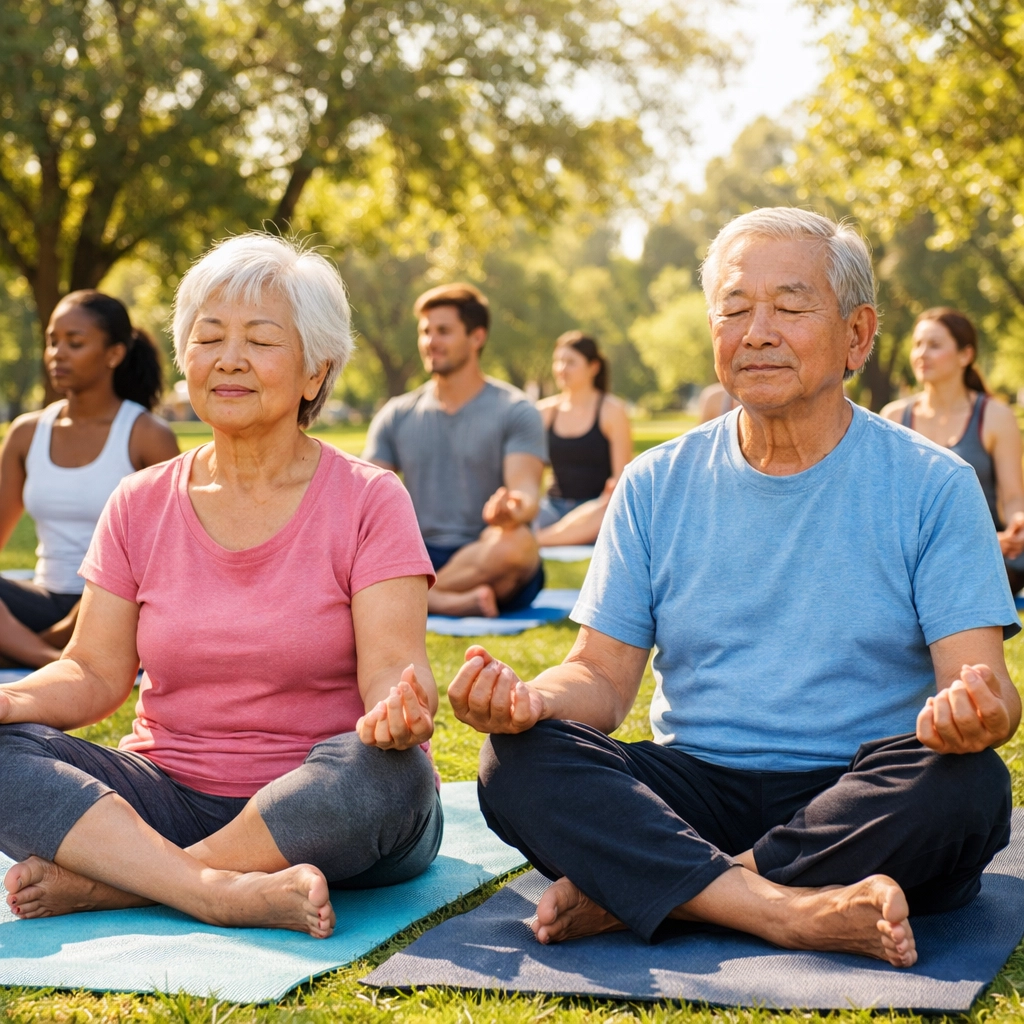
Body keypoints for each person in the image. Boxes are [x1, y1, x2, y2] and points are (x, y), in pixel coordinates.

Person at [448, 208, 1019, 969]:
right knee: (515, 760)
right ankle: (787, 911)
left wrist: (975, 715)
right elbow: (601, 679)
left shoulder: (934, 485)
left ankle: (666, 889)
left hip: (857, 789)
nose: (757, 332)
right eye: (735, 308)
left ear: (857, 335)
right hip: (695, 788)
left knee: (969, 787)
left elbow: (984, 689)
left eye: (788, 307)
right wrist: (531, 702)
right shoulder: (654, 482)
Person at [0, 233, 441, 937]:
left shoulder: (369, 498)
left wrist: (402, 710)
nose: (229, 359)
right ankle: (209, 888)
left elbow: (393, 666)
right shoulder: (138, 501)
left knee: (392, 773)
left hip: (318, 799)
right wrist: (10, 698)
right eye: (209, 338)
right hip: (166, 794)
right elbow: (92, 671)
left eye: (260, 340)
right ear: (186, 359)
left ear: (314, 371)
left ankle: (130, 884)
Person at [0, 291, 179, 668]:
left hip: (120, 606)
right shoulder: (26, 433)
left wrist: (69, 628)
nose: (57, 354)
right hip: (44, 600)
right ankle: (51, 661)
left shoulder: (147, 436)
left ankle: (33, 653)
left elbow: (163, 558)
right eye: (52, 341)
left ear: (114, 354)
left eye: (75, 343)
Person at [364, 284, 546, 618]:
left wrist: (513, 510)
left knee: (519, 546)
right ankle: (450, 602)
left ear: (477, 337)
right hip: (417, 555)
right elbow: (361, 501)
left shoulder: (516, 410)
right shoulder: (396, 414)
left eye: (444, 331)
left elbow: (526, 491)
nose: (430, 342)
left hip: (487, 552)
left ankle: (412, 601)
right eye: (425, 331)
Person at [881, 309, 1024, 592]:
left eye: (934, 345)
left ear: (965, 355)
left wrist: (1018, 524)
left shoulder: (995, 416)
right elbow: (885, 507)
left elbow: (1012, 497)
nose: (921, 353)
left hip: (986, 555)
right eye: (917, 344)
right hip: (914, 554)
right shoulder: (893, 418)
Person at [533, 332, 632, 548]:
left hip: (595, 509)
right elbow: (532, 475)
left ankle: (538, 540)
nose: (561, 368)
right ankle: (551, 536)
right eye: (558, 361)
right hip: (552, 507)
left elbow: (621, 479)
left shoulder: (612, 410)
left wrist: (606, 498)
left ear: (593, 367)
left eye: (570, 362)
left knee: (608, 511)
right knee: (514, 523)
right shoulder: (544, 412)